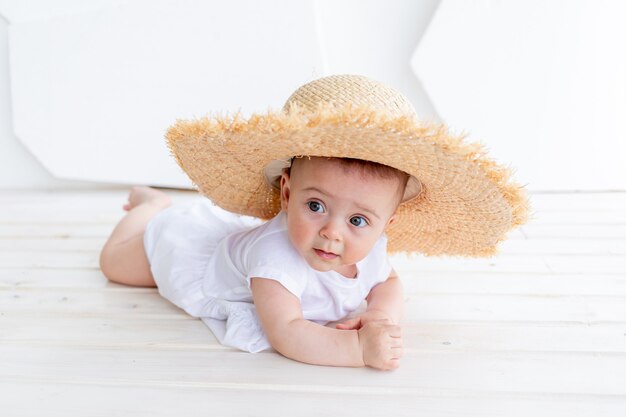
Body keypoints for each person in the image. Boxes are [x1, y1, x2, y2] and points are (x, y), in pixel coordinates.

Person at [100, 74, 529, 371]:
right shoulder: (276, 258)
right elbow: (287, 331)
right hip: (198, 256)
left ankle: (162, 205)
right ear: (286, 194)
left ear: (386, 224)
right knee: (116, 266)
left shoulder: (370, 247)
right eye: (316, 206)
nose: (333, 232)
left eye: (359, 219)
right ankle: (151, 205)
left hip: (235, 239)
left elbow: (389, 284)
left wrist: (381, 317)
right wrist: (357, 348)